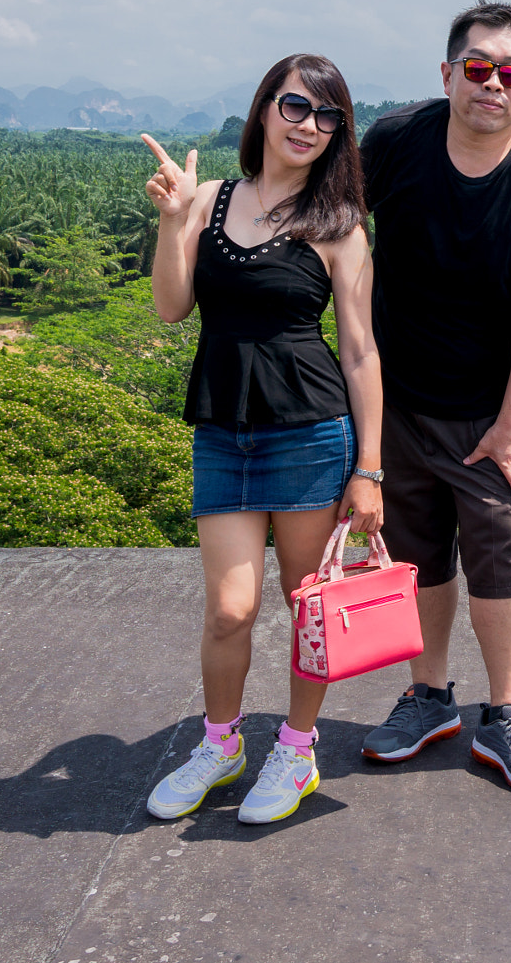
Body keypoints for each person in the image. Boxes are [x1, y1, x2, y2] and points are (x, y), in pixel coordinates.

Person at [139, 54, 384, 826]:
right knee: (229, 609)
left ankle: (298, 748)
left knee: (306, 605)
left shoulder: (339, 226)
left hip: (310, 432)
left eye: (327, 116)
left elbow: (359, 351)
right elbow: (173, 308)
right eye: (295, 107)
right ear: (265, 110)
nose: (309, 125)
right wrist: (173, 219)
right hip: (223, 430)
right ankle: (222, 744)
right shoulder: (210, 200)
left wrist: (370, 467)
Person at [356, 0, 511, 794]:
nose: (493, 84)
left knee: (499, 555)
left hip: (489, 410)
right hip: (400, 396)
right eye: (478, 67)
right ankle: (428, 695)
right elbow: (337, 229)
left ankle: (510, 715)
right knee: (417, 557)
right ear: (447, 72)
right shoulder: (394, 143)